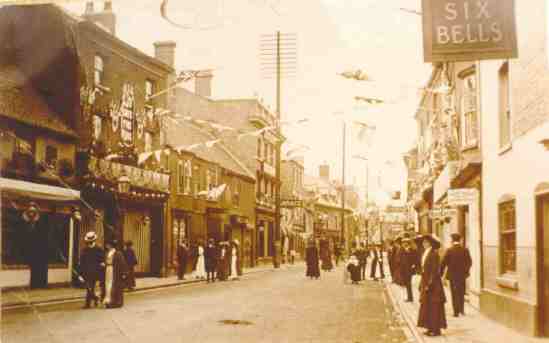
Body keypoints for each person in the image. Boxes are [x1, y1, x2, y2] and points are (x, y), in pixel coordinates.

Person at [417, 234, 447, 337]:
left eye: (426, 242)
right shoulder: (426, 253)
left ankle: (435, 329)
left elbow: (434, 271)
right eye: (423, 242)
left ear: (430, 243)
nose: (424, 244)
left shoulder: (433, 254)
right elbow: (424, 270)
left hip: (434, 285)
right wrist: (422, 284)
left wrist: (429, 284)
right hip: (427, 282)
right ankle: (430, 328)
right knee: (428, 306)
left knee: (434, 307)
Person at [440, 233, 473, 317]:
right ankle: (462, 310)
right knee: (461, 292)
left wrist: (440, 273)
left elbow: (443, 263)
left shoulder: (449, 250)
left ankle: (456, 312)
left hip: (452, 276)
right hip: (462, 276)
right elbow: (469, 262)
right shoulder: (465, 250)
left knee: (454, 293)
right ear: (459, 240)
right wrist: (466, 272)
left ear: (452, 240)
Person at [21, 202, 49, 289]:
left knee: (40, 268)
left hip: (40, 249)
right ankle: (34, 285)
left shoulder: (41, 223)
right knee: (34, 268)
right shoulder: (24, 223)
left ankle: (41, 285)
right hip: (30, 249)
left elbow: (43, 235)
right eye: (30, 211)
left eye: (33, 211)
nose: (31, 213)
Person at [79, 231, 105, 308]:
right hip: (86, 271)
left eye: (90, 241)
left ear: (93, 240)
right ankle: (95, 298)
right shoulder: (85, 250)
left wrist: (102, 264)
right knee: (89, 287)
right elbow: (82, 262)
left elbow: (102, 260)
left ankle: (88, 304)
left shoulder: (98, 249)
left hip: (96, 272)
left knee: (90, 287)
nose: (89, 242)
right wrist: (81, 273)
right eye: (88, 241)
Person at [103, 240, 129, 309]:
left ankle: (114, 302)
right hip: (108, 270)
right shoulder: (107, 253)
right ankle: (108, 301)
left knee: (113, 285)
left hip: (114, 271)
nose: (106, 246)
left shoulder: (118, 253)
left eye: (108, 244)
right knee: (107, 285)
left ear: (111, 245)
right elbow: (106, 261)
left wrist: (124, 273)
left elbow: (122, 263)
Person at [400, 238, 419, 302]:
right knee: (406, 284)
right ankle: (408, 297)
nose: (404, 244)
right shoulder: (402, 250)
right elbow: (400, 259)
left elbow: (416, 260)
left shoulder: (413, 250)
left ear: (408, 243)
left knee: (408, 284)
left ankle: (410, 298)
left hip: (409, 270)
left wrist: (414, 267)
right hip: (403, 270)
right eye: (403, 243)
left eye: (405, 243)